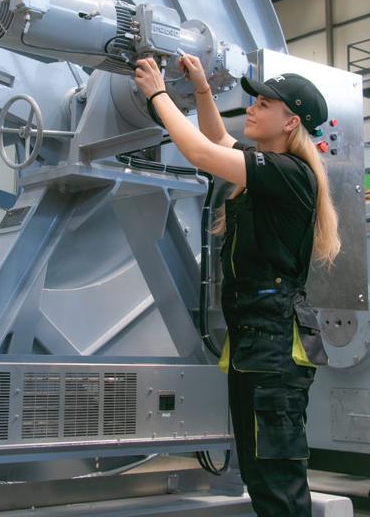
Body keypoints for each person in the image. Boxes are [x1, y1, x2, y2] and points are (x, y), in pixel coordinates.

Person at [134, 53, 341, 517]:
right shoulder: (266, 169)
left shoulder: (288, 173)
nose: (251, 107)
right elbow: (216, 139)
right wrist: (202, 89)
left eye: (264, 104)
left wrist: (157, 94)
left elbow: (201, 153)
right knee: (259, 475)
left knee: (277, 482)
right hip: (255, 346)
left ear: (290, 122)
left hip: (274, 351)